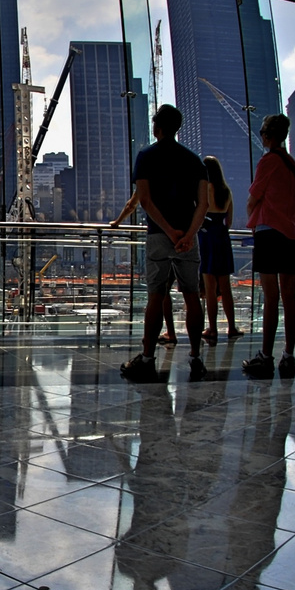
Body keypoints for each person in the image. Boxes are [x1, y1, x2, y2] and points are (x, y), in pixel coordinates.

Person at [111, 104, 209, 383]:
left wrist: (169, 231)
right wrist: (187, 235)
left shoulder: (146, 156)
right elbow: (203, 204)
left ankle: (147, 359)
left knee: (155, 296)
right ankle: (196, 357)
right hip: (188, 240)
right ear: (177, 127)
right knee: (191, 297)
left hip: (158, 236)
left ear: (157, 127)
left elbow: (144, 200)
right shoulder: (195, 161)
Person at [242, 115, 295, 378]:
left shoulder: (268, 161)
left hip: (269, 234)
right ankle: (288, 356)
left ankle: (265, 357)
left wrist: (249, 211)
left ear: (267, 135)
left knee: (270, 298)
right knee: (289, 298)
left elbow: (254, 198)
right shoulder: (292, 165)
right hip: (291, 235)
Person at [198, 154, 243, 344]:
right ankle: (232, 327)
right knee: (225, 287)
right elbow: (229, 221)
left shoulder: (203, 189)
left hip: (207, 237)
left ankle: (213, 328)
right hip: (223, 238)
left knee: (210, 287)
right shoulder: (227, 191)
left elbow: (198, 213)